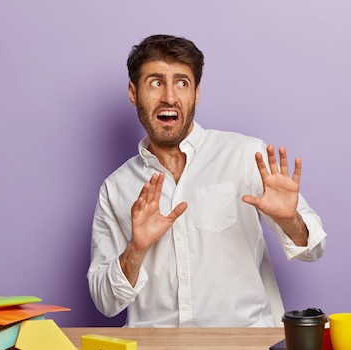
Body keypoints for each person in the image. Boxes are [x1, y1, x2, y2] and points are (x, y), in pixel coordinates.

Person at [87, 34, 326, 327]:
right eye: (156, 82)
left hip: (242, 346)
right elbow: (104, 301)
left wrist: (290, 220)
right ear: (133, 92)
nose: (170, 97)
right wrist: (136, 250)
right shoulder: (116, 188)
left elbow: (314, 250)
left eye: (182, 83)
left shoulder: (246, 156)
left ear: (196, 93)